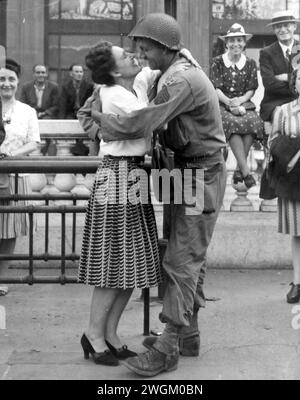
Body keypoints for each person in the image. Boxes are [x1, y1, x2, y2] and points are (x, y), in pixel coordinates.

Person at [90, 13, 227, 377]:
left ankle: (167, 347)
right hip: (178, 169)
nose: (141, 54)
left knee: (182, 258)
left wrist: (101, 123)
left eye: (145, 48)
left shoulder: (181, 78)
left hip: (197, 173)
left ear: (165, 47)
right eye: (137, 48)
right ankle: (188, 334)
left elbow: (144, 120)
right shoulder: (170, 71)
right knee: (181, 252)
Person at [77, 41, 161, 366]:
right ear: (113, 70)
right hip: (118, 175)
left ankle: (109, 335)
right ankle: (94, 335)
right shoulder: (115, 95)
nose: (132, 55)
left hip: (130, 173)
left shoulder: (126, 89)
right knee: (113, 264)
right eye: (124, 56)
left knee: (131, 265)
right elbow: (150, 119)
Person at [0, 59, 40, 296]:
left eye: (11, 79)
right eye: (2, 79)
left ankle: (1, 278)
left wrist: (11, 153)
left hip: (15, 175)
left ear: (18, 82)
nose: (6, 84)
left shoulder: (27, 111)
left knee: (9, 230)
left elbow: (34, 142)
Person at [262, 67, 300, 304]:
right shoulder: (284, 111)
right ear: (295, 84)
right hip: (293, 177)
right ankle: (297, 282)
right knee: (298, 233)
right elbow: (272, 141)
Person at [211, 23, 264, 188]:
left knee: (253, 122)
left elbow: (251, 89)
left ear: (244, 43)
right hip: (222, 102)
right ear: (226, 43)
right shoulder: (218, 62)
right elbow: (216, 88)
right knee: (232, 123)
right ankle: (246, 171)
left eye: (239, 40)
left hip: (244, 102)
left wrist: (239, 101)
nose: (236, 44)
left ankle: (239, 169)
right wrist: (229, 103)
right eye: (232, 41)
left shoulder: (250, 63)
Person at [259, 10, 300, 132]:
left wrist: (287, 77)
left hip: (299, 101)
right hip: (275, 103)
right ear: (274, 30)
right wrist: (296, 83)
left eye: (286, 25)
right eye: (278, 26)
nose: (282, 30)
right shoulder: (266, 53)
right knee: (286, 123)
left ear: (294, 26)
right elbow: (269, 84)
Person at [19, 64, 59, 155]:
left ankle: (47, 153)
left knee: (47, 129)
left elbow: (56, 105)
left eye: (43, 72)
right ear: (34, 74)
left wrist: (45, 113)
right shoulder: (26, 87)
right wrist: (33, 113)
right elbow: (23, 103)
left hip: (47, 115)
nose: (41, 75)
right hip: (30, 115)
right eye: (38, 72)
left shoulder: (54, 87)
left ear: (46, 74)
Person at [59, 64, 94, 156]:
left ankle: (80, 150)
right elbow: (63, 105)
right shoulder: (65, 87)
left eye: (81, 72)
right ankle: (76, 150)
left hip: (84, 113)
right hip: (71, 113)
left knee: (84, 127)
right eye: (76, 71)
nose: (79, 74)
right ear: (71, 73)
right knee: (68, 125)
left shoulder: (89, 86)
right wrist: (60, 121)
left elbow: (91, 104)